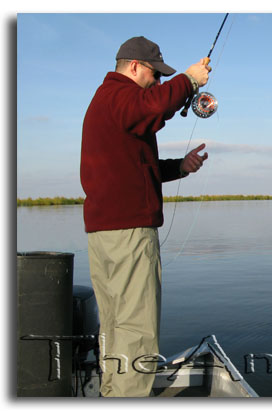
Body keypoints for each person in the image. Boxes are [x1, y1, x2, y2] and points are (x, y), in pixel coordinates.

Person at [80, 36, 210, 397]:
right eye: (154, 75)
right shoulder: (119, 94)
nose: (156, 83)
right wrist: (189, 80)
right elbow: (151, 106)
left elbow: (137, 166)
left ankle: (113, 394)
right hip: (127, 234)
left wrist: (180, 167)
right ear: (134, 66)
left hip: (105, 234)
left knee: (116, 325)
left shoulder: (109, 103)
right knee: (137, 327)